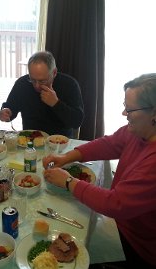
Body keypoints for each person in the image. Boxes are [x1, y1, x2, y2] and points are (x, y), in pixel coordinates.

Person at [42, 73, 156, 268]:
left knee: (67, 246)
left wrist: (69, 182)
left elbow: (115, 203)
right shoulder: (139, 131)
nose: (124, 114)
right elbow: (109, 144)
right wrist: (66, 157)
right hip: (122, 221)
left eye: (129, 110)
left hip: (137, 243)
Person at [0, 51, 84, 137]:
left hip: (59, 143)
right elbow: (10, 108)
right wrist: (5, 113)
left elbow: (77, 122)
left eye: (42, 81)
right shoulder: (22, 83)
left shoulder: (69, 84)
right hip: (30, 142)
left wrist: (56, 103)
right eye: (32, 79)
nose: (37, 86)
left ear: (54, 73)